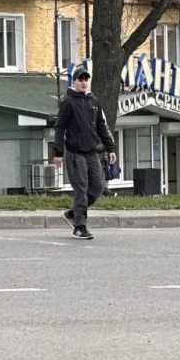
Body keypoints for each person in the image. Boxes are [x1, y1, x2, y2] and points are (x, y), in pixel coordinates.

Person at [53, 67, 117, 240]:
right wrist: (58, 152)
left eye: (86, 79)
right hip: (75, 153)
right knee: (81, 189)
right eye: (80, 79)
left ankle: (73, 213)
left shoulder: (94, 101)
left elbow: (101, 126)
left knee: (97, 187)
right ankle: (79, 226)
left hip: (91, 153)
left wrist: (110, 148)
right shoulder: (68, 102)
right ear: (74, 82)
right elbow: (59, 128)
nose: (83, 82)